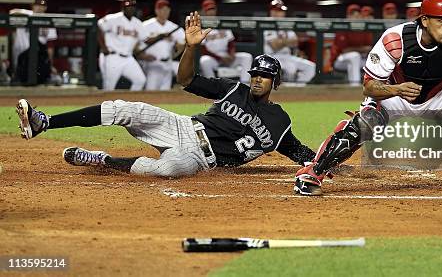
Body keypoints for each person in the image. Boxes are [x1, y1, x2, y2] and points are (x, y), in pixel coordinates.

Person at [16, 20, 316, 178]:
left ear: (275, 82)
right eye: (255, 73)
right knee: (125, 109)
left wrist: (330, 161)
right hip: (182, 127)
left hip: (201, 160)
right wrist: (190, 48)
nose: (256, 78)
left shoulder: (280, 122)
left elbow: (301, 153)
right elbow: (186, 80)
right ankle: (45, 122)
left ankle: (102, 160)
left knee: (169, 169)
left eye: (263, 76)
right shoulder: (233, 89)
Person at [294, 0, 442, 197]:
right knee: (365, 122)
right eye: (441, 21)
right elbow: (369, 87)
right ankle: (312, 172)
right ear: (424, 20)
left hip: (440, 95)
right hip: (396, 94)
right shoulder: (395, 39)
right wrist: (397, 89)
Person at [97, 0, 148, 91]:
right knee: (109, 87)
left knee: (140, 80)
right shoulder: (113, 18)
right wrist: (103, 47)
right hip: (112, 57)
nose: (131, 9)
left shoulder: (137, 23)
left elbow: (145, 39)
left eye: (133, 6)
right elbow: (98, 27)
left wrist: (159, 36)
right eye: (129, 6)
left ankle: (130, 103)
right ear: (123, 8)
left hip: (128, 58)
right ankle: (105, 105)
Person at [199, 0, 252, 83]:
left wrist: (231, 55)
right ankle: (212, 85)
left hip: (226, 56)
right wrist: (220, 58)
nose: (211, 12)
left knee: (247, 57)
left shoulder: (222, 23)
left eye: (213, 9)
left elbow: (231, 43)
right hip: (213, 58)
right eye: (208, 10)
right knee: (204, 60)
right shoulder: (200, 27)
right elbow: (203, 50)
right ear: (204, 11)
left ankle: (244, 83)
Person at [264, 0, 315, 84]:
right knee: (290, 69)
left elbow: (295, 42)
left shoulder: (286, 24)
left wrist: (282, 42)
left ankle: (297, 88)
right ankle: (289, 89)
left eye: (282, 11)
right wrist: (287, 41)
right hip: (272, 57)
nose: (281, 14)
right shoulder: (267, 24)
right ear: (272, 12)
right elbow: (274, 46)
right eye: (278, 11)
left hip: (287, 56)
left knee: (311, 67)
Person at [9, 0, 57, 84]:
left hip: (37, 57)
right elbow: (12, 12)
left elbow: (50, 46)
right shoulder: (24, 16)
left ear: (45, 8)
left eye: (42, 5)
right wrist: (30, 14)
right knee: (18, 77)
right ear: (32, 6)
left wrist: (50, 65)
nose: (39, 7)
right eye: (36, 4)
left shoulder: (49, 21)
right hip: (20, 53)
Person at [140, 0, 185, 90]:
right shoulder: (146, 25)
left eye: (167, 10)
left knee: (165, 92)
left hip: (167, 63)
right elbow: (138, 43)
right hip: (152, 63)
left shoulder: (174, 27)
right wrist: (143, 56)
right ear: (156, 10)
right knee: (151, 92)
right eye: (162, 10)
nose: (165, 12)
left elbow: (182, 43)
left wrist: (176, 52)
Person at [331, 4, 373, 85]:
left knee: (375, 63)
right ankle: (355, 85)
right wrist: (362, 49)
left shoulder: (364, 29)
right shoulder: (343, 28)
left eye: (357, 15)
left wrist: (358, 49)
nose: (355, 18)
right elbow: (344, 50)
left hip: (359, 60)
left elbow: (369, 48)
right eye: (352, 15)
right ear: (348, 16)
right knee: (354, 56)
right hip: (340, 60)